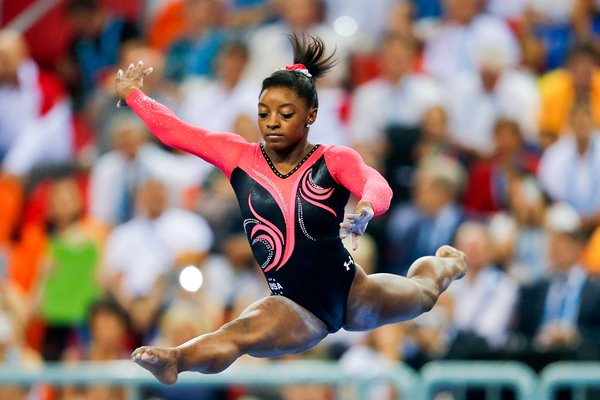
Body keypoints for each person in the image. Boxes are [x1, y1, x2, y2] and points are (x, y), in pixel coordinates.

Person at [115, 33, 467, 384]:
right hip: (293, 306)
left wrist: (365, 209)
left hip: (350, 293)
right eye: (264, 113)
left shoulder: (332, 160)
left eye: (285, 114)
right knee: (239, 333)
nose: (272, 123)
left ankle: (446, 265)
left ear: (310, 115)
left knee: (423, 295)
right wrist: (134, 95)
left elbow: (378, 186)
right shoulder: (239, 157)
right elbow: (176, 132)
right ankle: (176, 359)